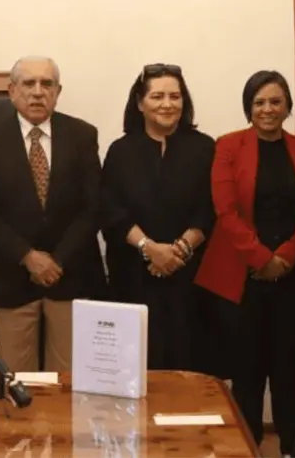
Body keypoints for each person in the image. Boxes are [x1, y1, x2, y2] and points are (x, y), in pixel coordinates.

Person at [195, 70, 295, 457]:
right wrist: (263, 258)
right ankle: (245, 450)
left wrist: (285, 257)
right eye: (259, 102)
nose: (267, 109)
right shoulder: (228, 146)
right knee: (246, 376)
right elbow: (225, 211)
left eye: (275, 101)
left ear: (287, 106)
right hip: (241, 281)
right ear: (248, 107)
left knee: (288, 373)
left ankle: (291, 449)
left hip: (291, 281)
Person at [0, 56, 106, 373]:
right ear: (11, 91)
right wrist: (27, 256)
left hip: (70, 274)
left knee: (70, 378)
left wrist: (57, 260)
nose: (37, 92)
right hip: (12, 276)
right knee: (16, 378)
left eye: (47, 84)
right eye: (28, 83)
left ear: (58, 91)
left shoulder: (82, 135)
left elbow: (93, 208)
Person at [101, 63, 215, 372]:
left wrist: (180, 250)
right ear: (140, 103)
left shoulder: (205, 148)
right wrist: (149, 248)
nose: (167, 104)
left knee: (189, 369)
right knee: (136, 371)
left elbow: (210, 207)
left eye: (175, 96)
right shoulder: (120, 151)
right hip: (134, 279)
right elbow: (110, 210)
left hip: (190, 280)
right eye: (157, 96)